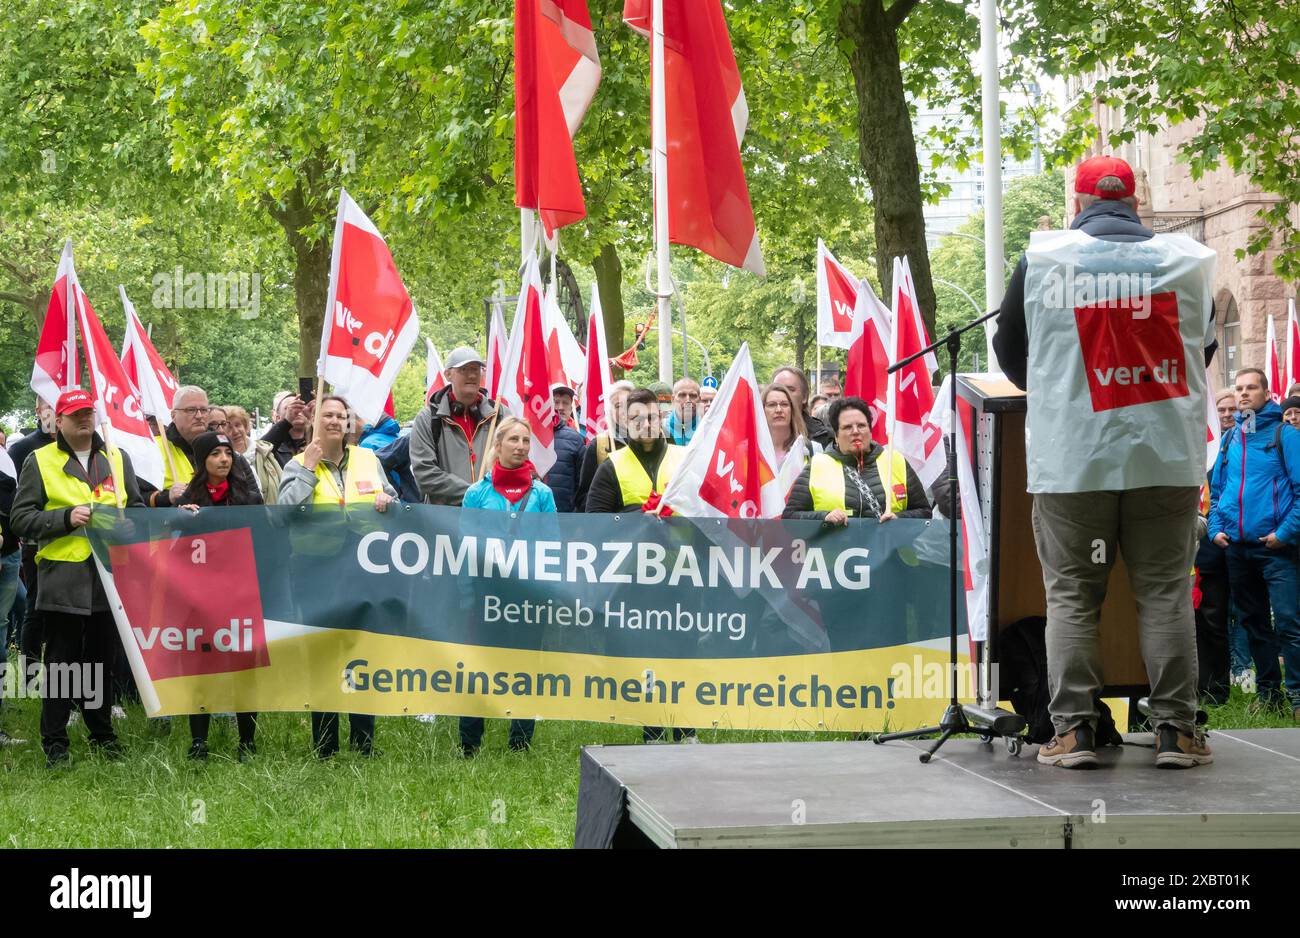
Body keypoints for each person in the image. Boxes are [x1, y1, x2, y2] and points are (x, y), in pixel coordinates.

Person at [993, 154, 1218, 769]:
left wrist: (1060, 393)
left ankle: (1074, 733)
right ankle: (1175, 730)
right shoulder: (1187, 262)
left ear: (1077, 203)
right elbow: (1204, 345)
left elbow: (1011, 351)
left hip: (1075, 460)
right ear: (1136, 202)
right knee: (1166, 595)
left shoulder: (1045, 259)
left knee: (1070, 596)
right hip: (1164, 456)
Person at [10, 389, 144, 767]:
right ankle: (55, 744)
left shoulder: (117, 457)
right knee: (62, 664)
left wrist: (130, 524)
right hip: (62, 578)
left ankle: (103, 736)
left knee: (102, 661)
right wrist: (65, 518)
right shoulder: (39, 460)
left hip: (108, 574)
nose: (84, 419)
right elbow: (21, 520)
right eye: (75, 414)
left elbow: (133, 508)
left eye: (88, 412)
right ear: (59, 421)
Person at [279, 395, 396, 757]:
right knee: (323, 654)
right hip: (316, 572)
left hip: (363, 570)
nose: (334, 421)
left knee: (362, 651)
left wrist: (388, 502)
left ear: (349, 423)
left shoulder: (368, 458)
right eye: (327, 415)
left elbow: (393, 499)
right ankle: (325, 744)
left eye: (341, 416)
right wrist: (308, 471)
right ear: (314, 420)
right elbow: (285, 513)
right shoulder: (298, 463)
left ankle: (364, 743)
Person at [583, 389, 693, 743]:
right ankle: (653, 729)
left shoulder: (685, 458)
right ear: (624, 423)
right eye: (637, 419)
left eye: (652, 417)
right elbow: (595, 523)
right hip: (635, 580)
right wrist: (635, 517)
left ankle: (687, 728)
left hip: (684, 576)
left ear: (662, 419)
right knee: (645, 655)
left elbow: (709, 510)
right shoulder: (610, 467)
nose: (646, 425)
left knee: (683, 653)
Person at [458, 416, 556, 756]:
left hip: (527, 595)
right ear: (497, 446)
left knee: (525, 666)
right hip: (486, 592)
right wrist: (467, 594)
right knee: (479, 665)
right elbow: (465, 548)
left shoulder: (542, 494)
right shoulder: (476, 493)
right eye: (513, 440)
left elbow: (552, 546)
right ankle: (470, 742)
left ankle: (520, 741)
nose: (521, 446)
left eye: (526, 441)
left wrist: (546, 593)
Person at [1209, 368, 1300, 722]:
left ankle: (1296, 695)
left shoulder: (1285, 435)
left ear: (1266, 393)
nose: (1244, 395)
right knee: (1254, 623)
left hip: (1277, 548)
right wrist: (1217, 527)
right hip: (1237, 548)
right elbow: (1217, 492)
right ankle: (1268, 694)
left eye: (1251, 388)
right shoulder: (1232, 438)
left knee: (1290, 623)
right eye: (1240, 388)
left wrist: (1284, 534)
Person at [175, 432, 262, 760]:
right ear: (202, 460)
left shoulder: (248, 497)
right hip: (200, 600)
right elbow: (176, 553)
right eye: (215, 454)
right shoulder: (189, 500)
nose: (224, 459)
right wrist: (181, 519)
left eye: (228, 452)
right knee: (201, 670)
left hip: (241, 596)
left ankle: (247, 741)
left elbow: (265, 539)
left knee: (244, 668)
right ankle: (199, 740)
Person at [784, 396, 934, 524]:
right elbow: (790, 517)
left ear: (870, 430)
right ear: (836, 435)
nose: (855, 431)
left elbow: (924, 512)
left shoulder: (895, 461)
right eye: (848, 427)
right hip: (836, 556)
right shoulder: (817, 465)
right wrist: (824, 517)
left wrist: (899, 519)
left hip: (889, 555)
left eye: (861, 426)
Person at [1194, 389, 1250, 705]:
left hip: (1214, 549)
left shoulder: (1231, 452)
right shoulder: (1188, 450)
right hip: (1184, 551)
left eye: (1232, 409)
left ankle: (1215, 690)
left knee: (1215, 620)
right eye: (1221, 410)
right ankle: (1193, 686)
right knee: (1189, 623)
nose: (1227, 415)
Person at [410, 346, 500, 505]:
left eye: (476, 369)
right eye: (464, 369)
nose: (472, 375)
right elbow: (424, 474)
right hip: (444, 522)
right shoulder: (427, 419)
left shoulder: (499, 414)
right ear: (448, 374)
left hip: (492, 517)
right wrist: (474, 495)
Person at [8, 398, 55, 673]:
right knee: (35, 607)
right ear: (38, 410)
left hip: (76, 543)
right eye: (48, 405)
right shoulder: (24, 448)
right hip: (35, 543)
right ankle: (30, 672)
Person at [575, 380, 633, 511]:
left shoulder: (650, 442)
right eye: (618, 406)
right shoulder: (598, 445)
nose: (624, 410)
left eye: (629, 404)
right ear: (609, 410)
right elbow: (583, 496)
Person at [545, 388, 586, 512]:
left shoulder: (577, 439)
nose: (561, 407)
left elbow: (582, 485)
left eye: (565, 403)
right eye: (556, 402)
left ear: (571, 406)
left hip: (566, 517)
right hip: (535, 515)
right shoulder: (532, 435)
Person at [771, 366, 833, 449]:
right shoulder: (757, 436)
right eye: (778, 390)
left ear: (804, 396)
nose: (783, 395)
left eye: (790, 389)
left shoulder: (824, 438)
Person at [261, 392, 311, 468]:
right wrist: (286, 422)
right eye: (290, 408)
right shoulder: (274, 447)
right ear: (277, 418)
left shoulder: (314, 440)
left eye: (300, 406)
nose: (297, 411)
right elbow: (259, 452)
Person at [763, 384, 807, 469]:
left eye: (784, 404)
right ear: (762, 410)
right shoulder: (748, 451)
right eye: (772, 405)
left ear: (792, 409)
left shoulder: (811, 449)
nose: (779, 410)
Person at [664, 377, 701, 446]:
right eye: (682, 395)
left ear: (699, 400)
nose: (688, 400)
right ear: (673, 399)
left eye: (693, 396)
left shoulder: (707, 428)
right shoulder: (661, 428)